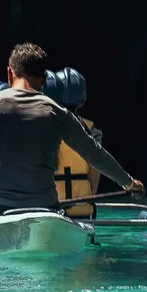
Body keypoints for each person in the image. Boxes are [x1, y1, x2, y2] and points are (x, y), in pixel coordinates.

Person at [0, 42, 143, 220]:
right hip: (43, 204)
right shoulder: (58, 112)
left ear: (10, 73)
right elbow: (94, 155)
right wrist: (128, 182)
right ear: (45, 78)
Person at [44, 67, 99, 218]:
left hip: (48, 211)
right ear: (81, 102)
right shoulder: (92, 132)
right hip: (82, 211)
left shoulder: (40, 130)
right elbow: (93, 185)